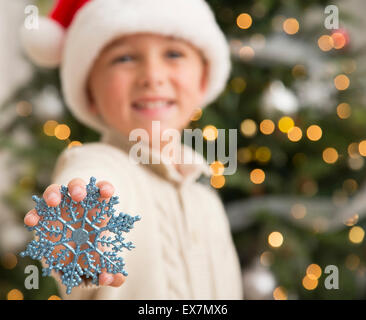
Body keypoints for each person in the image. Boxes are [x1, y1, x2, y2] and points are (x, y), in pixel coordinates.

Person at [21, 0, 243, 299]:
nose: (152, 76)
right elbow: (87, 184)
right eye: (124, 58)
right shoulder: (97, 163)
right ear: (89, 91)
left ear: (203, 79)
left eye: (174, 54)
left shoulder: (206, 197)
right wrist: (81, 233)